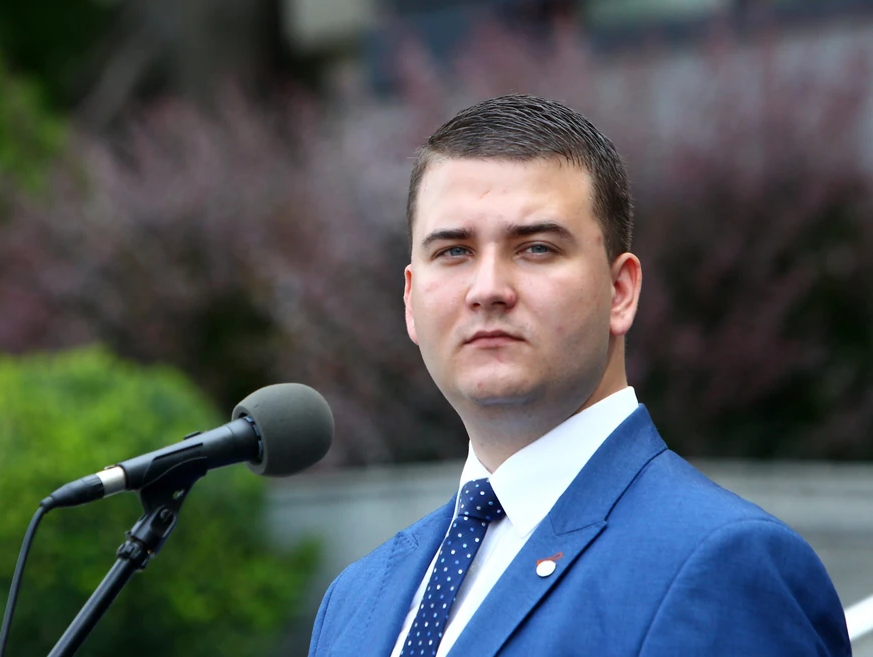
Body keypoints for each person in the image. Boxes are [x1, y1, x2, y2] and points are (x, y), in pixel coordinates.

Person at [307, 94, 851, 656]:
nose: (487, 288)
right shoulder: (355, 599)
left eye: (536, 248)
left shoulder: (725, 566)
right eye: (453, 252)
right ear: (410, 299)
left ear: (621, 292)